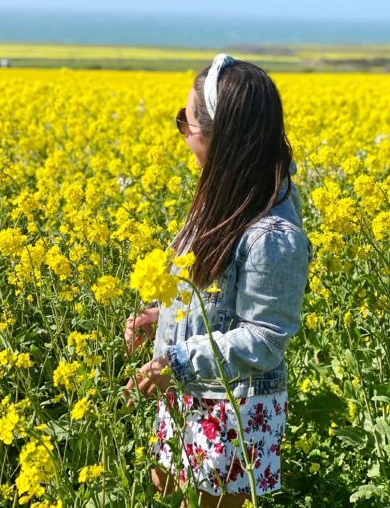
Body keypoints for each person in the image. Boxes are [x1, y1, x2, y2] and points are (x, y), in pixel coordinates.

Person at [123, 53, 312, 508]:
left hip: (233, 409)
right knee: (165, 490)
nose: (183, 134)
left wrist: (177, 362)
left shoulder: (273, 233)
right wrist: (164, 314)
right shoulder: (227, 196)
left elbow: (264, 339)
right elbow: (214, 294)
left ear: (222, 138)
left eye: (186, 124)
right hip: (191, 392)